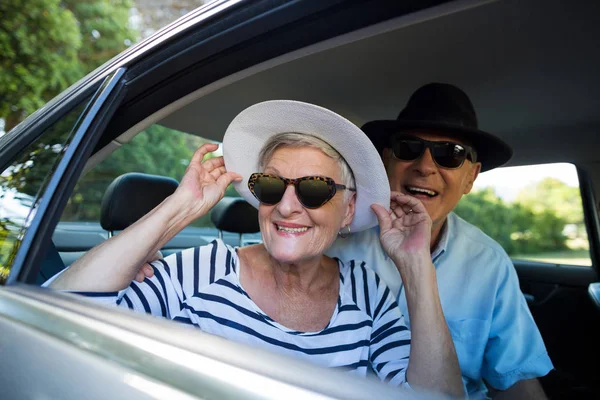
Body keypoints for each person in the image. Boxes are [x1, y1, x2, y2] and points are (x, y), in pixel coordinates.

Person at [46, 100, 464, 397]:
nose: (285, 206)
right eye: (270, 185)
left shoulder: (367, 291)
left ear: (349, 207)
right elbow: (56, 319)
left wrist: (415, 266)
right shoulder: (203, 269)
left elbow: (436, 397)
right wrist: (180, 207)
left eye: (315, 190)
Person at [326, 83, 554, 398]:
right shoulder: (335, 240)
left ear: (470, 178)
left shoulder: (488, 262)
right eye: (409, 148)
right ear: (387, 160)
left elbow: (514, 379)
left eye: (450, 154)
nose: (425, 166)